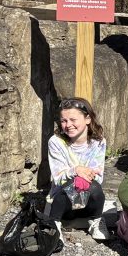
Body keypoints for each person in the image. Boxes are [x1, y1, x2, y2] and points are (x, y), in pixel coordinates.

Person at [47, 97, 108, 242]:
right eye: (64, 121)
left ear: (87, 119)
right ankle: (54, 225)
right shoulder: (56, 142)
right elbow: (58, 177)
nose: (68, 125)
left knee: (94, 187)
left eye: (73, 120)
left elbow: (98, 176)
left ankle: (96, 220)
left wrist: (84, 175)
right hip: (63, 203)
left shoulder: (98, 143)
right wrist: (76, 170)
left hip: (88, 200)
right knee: (71, 184)